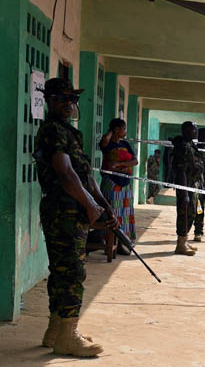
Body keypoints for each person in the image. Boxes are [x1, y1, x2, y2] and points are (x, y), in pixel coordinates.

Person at [35, 77, 118, 357]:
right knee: (71, 271)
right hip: (63, 210)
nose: (69, 104)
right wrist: (90, 206)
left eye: (72, 99)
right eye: (62, 99)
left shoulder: (72, 133)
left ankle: (56, 331)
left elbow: (86, 177)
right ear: (49, 100)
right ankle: (68, 336)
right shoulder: (52, 131)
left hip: (75, 209)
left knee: (62, 270)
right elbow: (66, 174)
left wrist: (105, 206)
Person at [99, 118, 139, 255]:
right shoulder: (107, 144)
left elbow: (135, 161)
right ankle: (109, 243)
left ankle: (122, 243)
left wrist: (121, 165)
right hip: (111, 182)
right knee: (112, 212)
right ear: (116, 130)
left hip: (125, 184)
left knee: (125, 214)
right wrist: (112, 130)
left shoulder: (125, 144)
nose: (125, 132)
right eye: (123, 129)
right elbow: (105, 140)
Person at [172, 121, 203, 256]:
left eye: (196, 129)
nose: (196, 132)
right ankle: (180, 244)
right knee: (185, 214)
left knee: (192, 213)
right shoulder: (183, 147)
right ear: (185, 131)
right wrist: (184, 193)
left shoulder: (191, 145)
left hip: (193, 186)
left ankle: (184, 240)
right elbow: (181, 171)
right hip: (186, 186)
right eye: (193, 130)